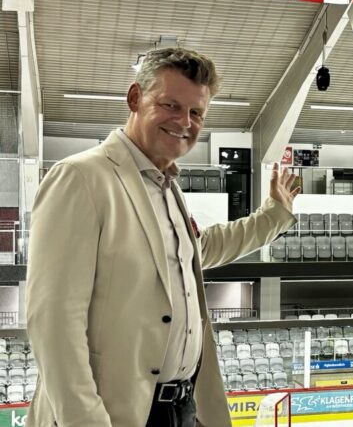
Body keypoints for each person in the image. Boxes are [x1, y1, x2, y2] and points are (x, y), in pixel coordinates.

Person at [25, 48, 299, 427]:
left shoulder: (166, 185)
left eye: (196, 113)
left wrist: (274, 215)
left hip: (182, 408)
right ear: (135, 99)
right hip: (117, 415)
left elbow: (196, 252)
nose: (184, 121)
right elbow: (53, 320)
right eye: (170, 105)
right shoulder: (81, 178)